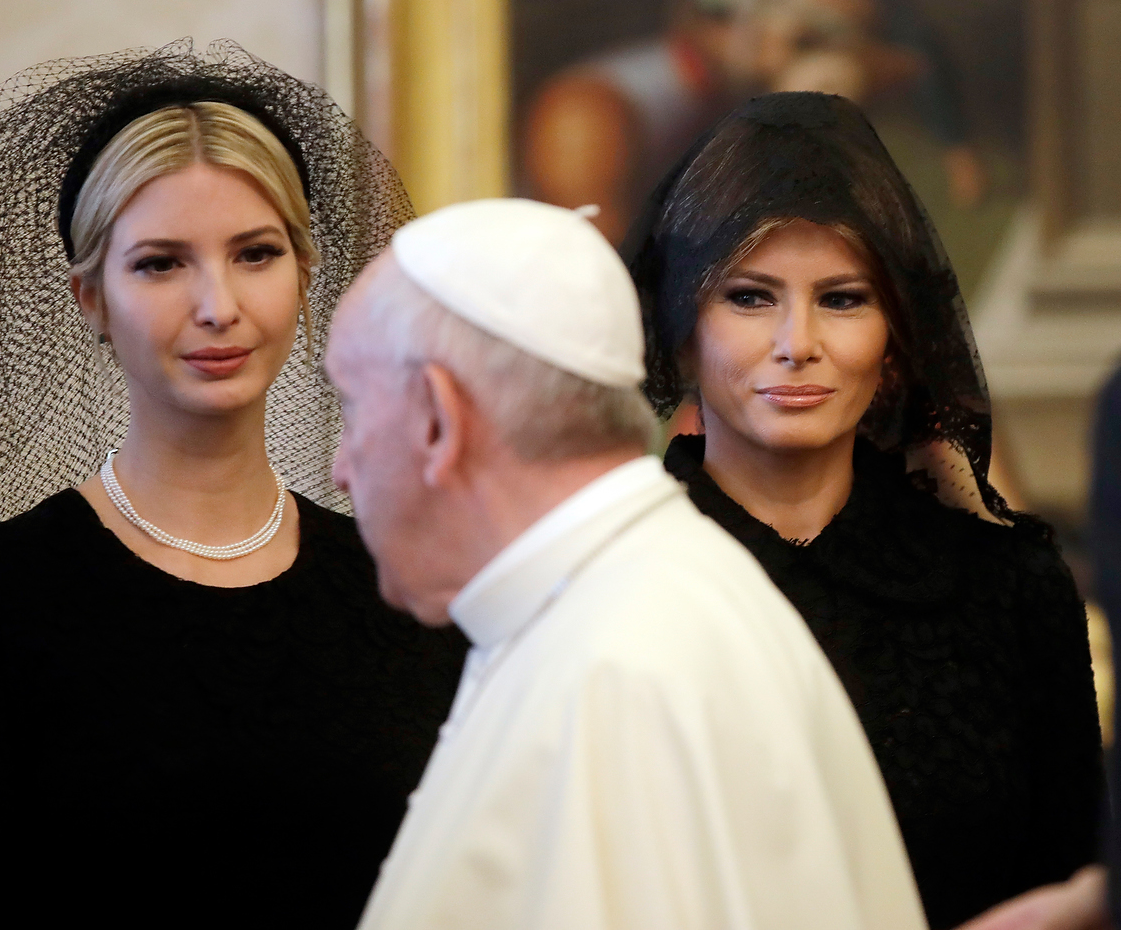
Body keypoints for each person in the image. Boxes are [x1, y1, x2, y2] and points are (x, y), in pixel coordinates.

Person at [0, 42, 466, 927]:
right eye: (161, 262)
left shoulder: (403, 595)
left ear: (306, 277)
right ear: (91, 297)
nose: (217, 305)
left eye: (256, 254)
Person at [325, 197, 928, 930]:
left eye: (352, 409)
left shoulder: (616, 666)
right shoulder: (635, 600)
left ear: (436, 419)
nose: (339, 470)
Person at [623, 90, 1102, 930]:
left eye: (842, 298)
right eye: (749, 296)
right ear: (681, 329)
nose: (796, 340)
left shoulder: (1010, 591)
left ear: (895, 342)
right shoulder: (612, 581)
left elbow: (1072, 883)